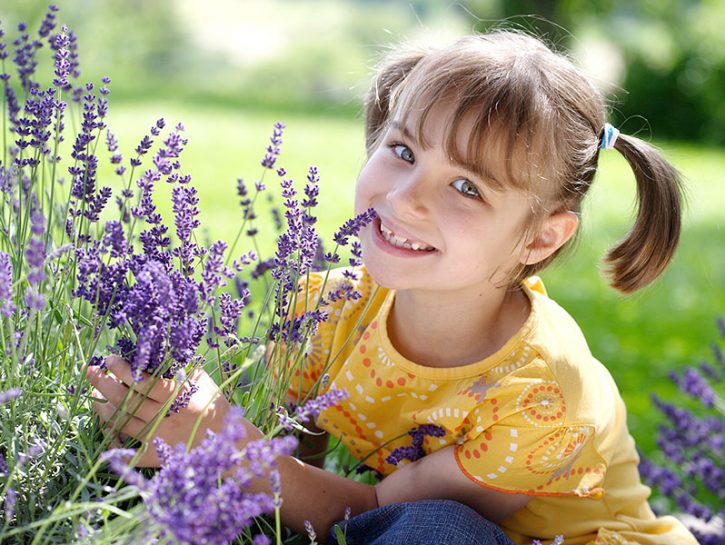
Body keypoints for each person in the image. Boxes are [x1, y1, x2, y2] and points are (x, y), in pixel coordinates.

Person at [86, 31, 700, 545]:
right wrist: (176, 436)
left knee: (435, 529)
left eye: (467, 188)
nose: (406, 198)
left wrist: (221, 444)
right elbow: (289, 477)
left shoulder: (543, 391)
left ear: (540, 238)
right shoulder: (326, 310)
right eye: (403, 150)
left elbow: (366, 512)